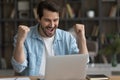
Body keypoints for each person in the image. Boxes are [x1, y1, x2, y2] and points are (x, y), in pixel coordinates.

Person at [11, 1, 88, 76]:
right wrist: (20, 41)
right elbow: (18, 68)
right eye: (47, 20)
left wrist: (82, 38)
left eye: (55, 20)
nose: (52, 25)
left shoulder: (67, 38)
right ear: (38, 18)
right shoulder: (25, 36)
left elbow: (82, 66)